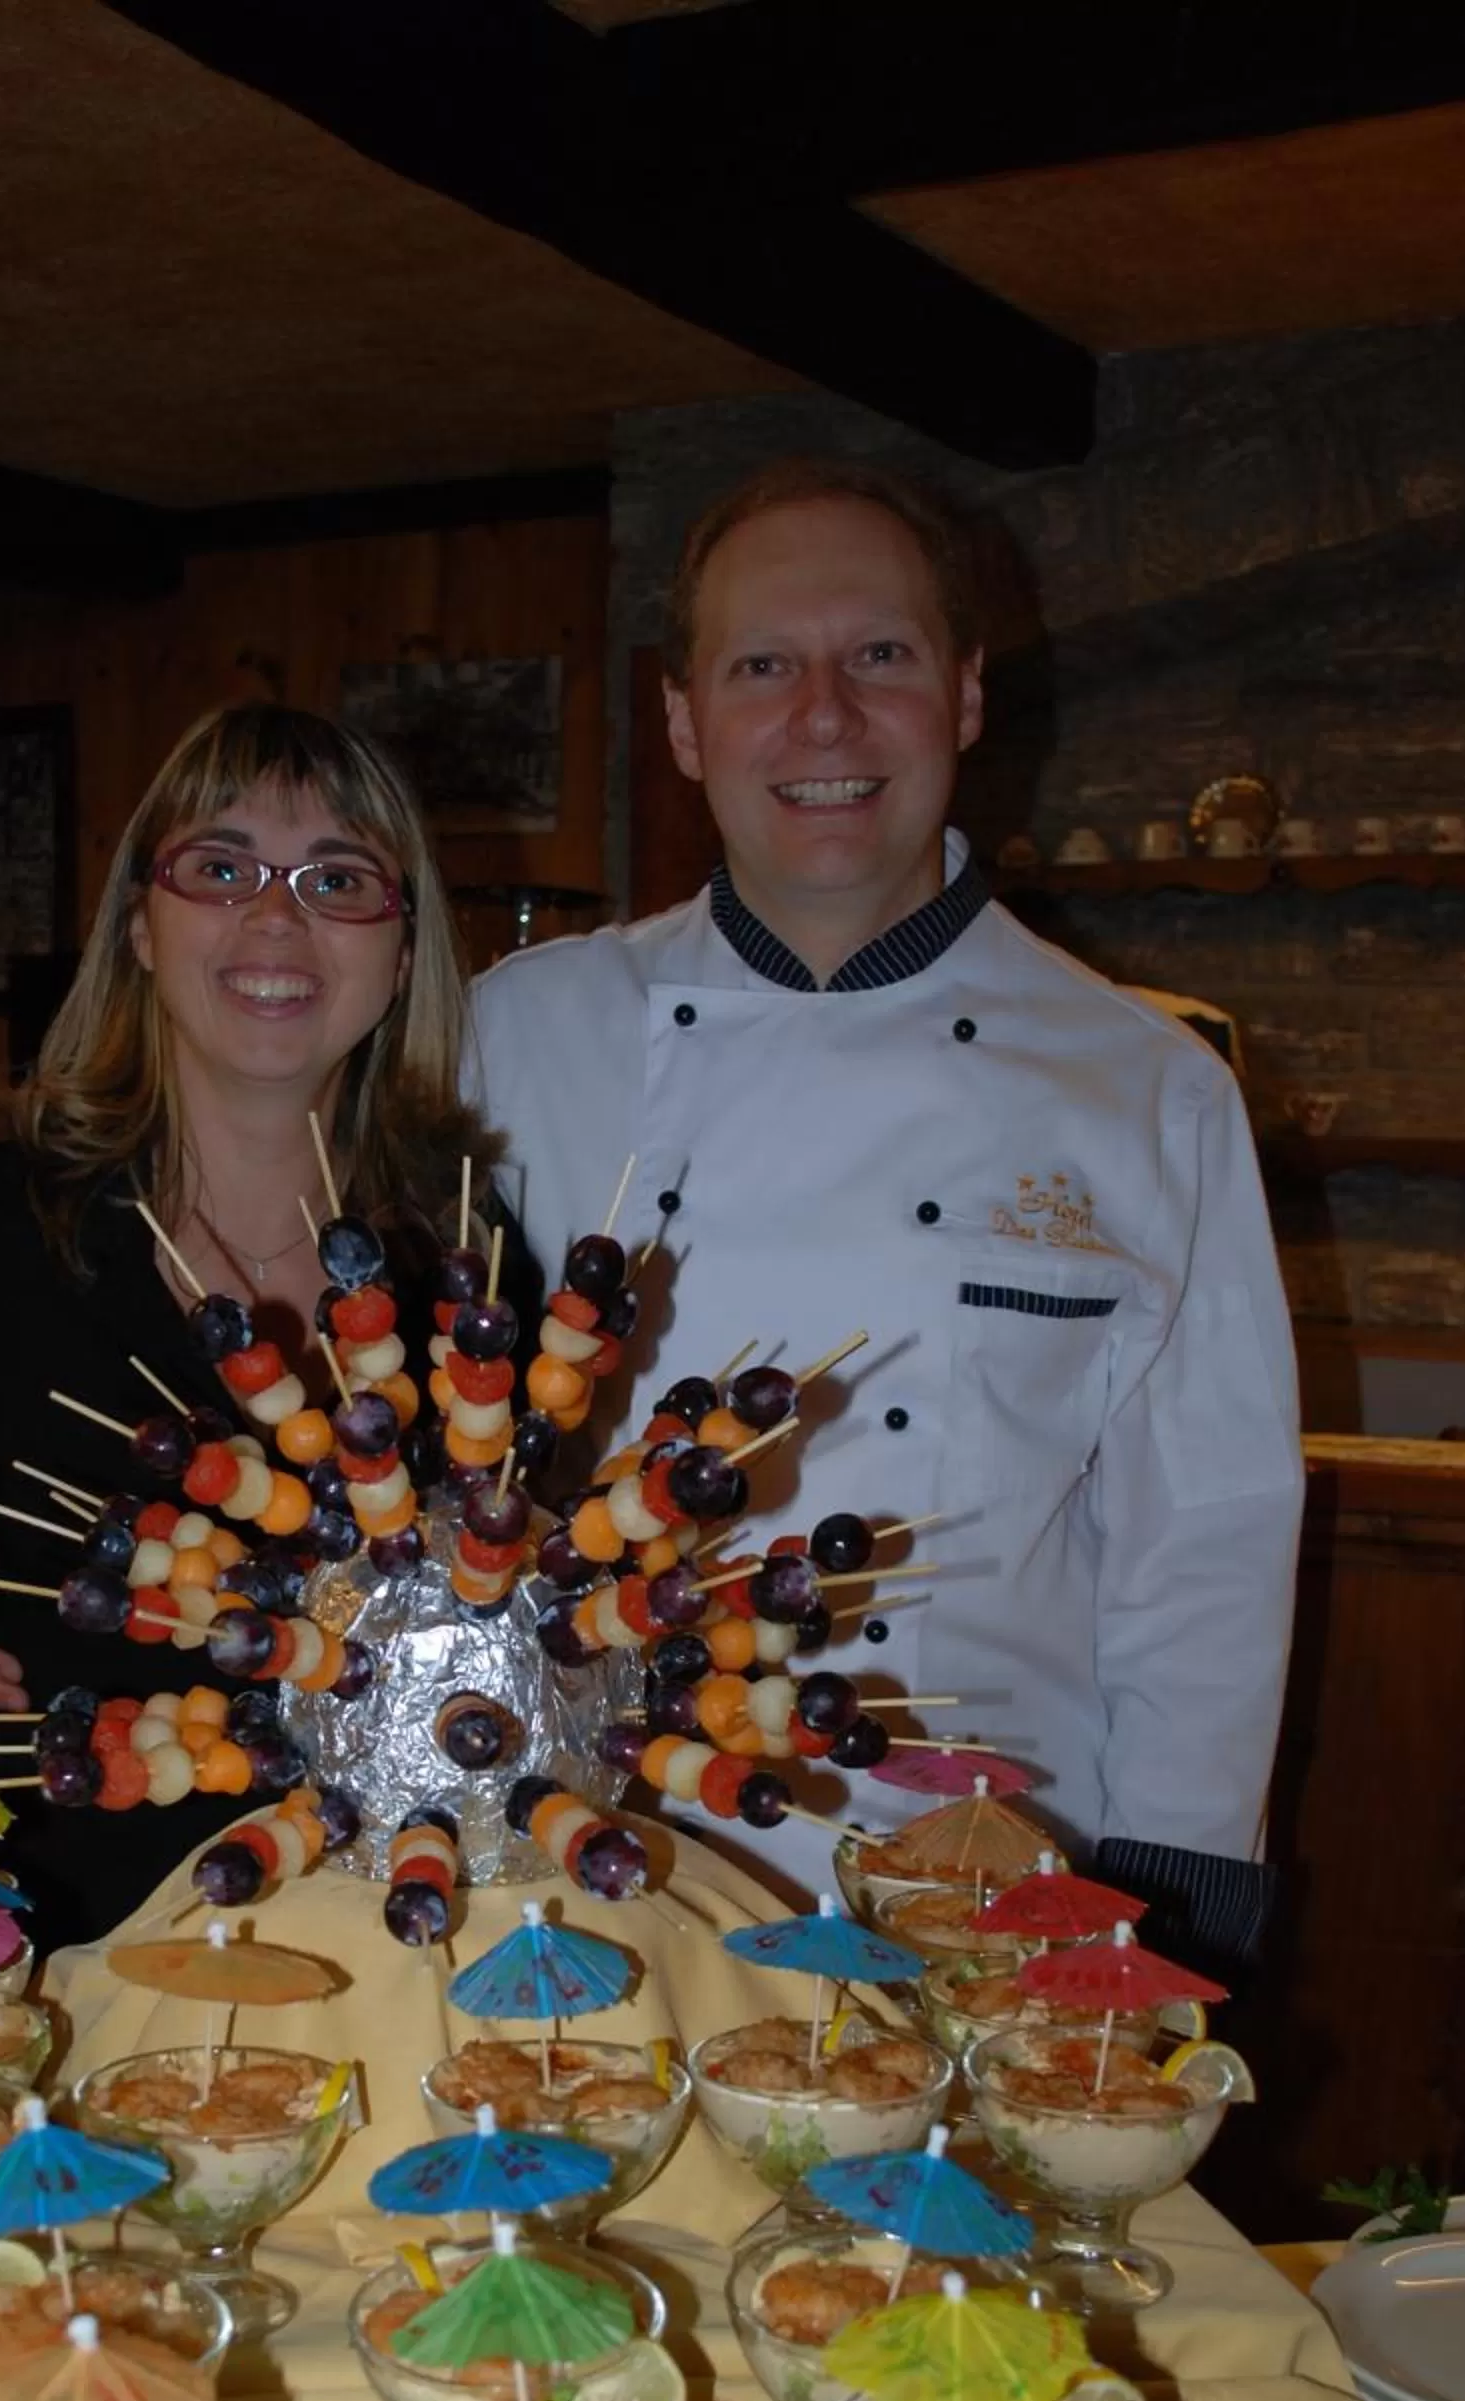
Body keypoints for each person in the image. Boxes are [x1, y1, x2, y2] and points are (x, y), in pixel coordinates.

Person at [466, 458, 1302, 1960]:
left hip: (993, 1874)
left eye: (883, 657)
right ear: (684, 721)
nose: (826, 716)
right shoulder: (519, 1038)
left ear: (967, 697)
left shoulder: (1146, 1084)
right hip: (605, 1868)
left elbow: (1210, 1541)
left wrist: (1179, 1908)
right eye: (764, 664)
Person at [0, 703, 484, 1962]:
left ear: (405, 950)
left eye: (338, 878)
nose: (275, 917)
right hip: (55, 1964)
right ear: (141, 927)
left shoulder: (466, 1270)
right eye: (219, 868)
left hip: (390, 1952)